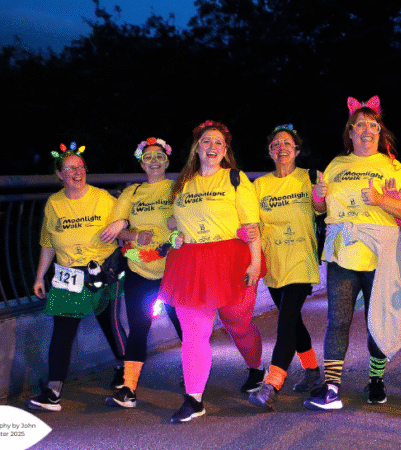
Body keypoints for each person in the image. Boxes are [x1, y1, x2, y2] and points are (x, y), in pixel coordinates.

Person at [304, 96, 401, 410]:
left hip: (379, 257)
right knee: (337, 321)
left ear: (380, 132)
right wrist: (317, 197)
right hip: (343, 255)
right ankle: (331, 387)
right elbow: (320, 209)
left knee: (377, 320)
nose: (366, 130)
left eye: (373, 125)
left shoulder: (391, 166)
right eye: (360, 125)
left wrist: (381, 199)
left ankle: (376, 380)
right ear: (350, 132)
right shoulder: (337, 165)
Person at [158, 120, 266, 423]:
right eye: (206, 141)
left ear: (226, 150)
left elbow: (251, 226)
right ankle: (194, 399)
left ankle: (256, 367)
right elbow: (171, 222)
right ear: (196, 148)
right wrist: (173, 236)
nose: (212, 147)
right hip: (191, 261)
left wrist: (255, 263)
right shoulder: (182, 183)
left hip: (231, 258)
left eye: (219, 142)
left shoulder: (234, 178)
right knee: (194, 333)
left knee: (237, 323)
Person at [26, 143, 126, 412]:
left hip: (102, 270)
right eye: (70, 168)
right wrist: (39, 277)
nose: (77, 172)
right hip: (69, 274)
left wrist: (123, 222)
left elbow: (129, 217)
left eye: (80, 167)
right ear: (59, 174)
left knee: (110, 323)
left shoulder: (104, 198)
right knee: (62, 332)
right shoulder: (54, 203)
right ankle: (53, 391)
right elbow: (47, 243)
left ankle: (127, 375)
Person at [101, 137, 183, 408]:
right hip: (138, 267)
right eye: (149, 157)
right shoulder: (131, 192)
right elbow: (116, 231)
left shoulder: (177, 188)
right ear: (141, 163)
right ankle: (128, 388)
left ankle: (195, 377)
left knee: (183, 324)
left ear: (167, 161)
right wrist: (134, 233)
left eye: (159, 156)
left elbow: (192, 221)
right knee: (138, 326)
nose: (154, 161)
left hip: (173, 266)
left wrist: (176, 227)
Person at [247, 125, 322, 410]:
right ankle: (312, 369)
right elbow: (251, 222)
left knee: (286, 321)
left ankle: (272, 383)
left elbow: (322, 208)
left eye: (288, 143)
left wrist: (320, 195)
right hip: (273, 263)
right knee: (293, 320)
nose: (282, 148)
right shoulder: (259, 185)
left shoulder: (309, 177)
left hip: (301, 259)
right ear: (270, 151)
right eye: (276, 144)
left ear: (297, 150)